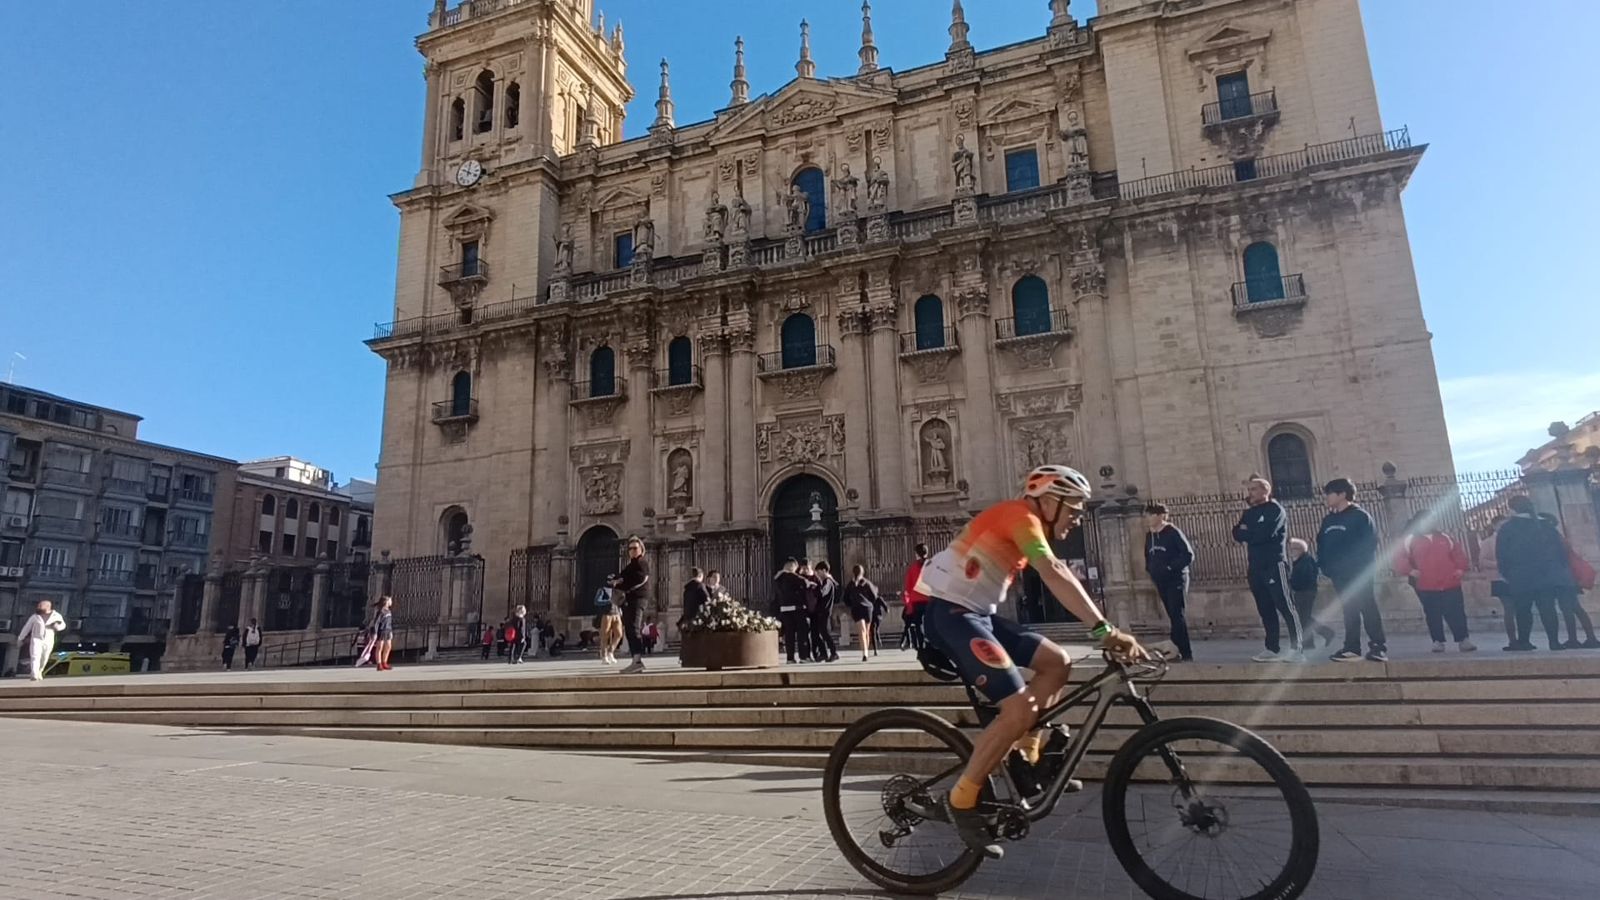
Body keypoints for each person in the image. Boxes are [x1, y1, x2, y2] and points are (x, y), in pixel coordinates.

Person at [916, 465, 1145, 858]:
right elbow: (1053, 570)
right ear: (1050, 501)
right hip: (952, 616)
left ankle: (1026, 758)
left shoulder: (1028, 522)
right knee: (1018, 708)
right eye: (1074, 509)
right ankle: (961, 799)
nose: (1077, 518)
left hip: (979, 615)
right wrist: (1104, 630)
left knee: (1057, 662)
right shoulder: (1019, 516)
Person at [1231, 477, 1302, 662]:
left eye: (1254, 489)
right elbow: (1237, 533)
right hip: (1255, 566)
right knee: (1265, 608)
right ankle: (1272, 648)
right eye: (1249, 490)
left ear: (1265, 491)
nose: (1251, 493)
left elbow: (1265, 534)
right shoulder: (1249, 513)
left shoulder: (1275, 510)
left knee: (1285, 606)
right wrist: (1249, 533)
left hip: (1274, 564)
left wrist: (1248, 533)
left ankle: (1297, 648)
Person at [1317, 478, 1387, 662]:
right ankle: (1352, 648)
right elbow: (1321, 544)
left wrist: (1357, 566)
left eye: (1330, 493)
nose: (1326, 497)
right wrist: (1325, 566)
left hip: (1359, 572)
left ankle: (1378, 647)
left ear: (1342, 494)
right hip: (1338, 574)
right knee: (1349, 609)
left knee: (1367, 606)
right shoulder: (1328, 520)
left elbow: (1369, 544)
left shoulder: (1360, 516)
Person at [1496, 499, 1572, 651]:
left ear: (1513, 509)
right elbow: (1560, 550)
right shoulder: (1545, 525)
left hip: (1520, 575)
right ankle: (1554, 642)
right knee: (1548, 608)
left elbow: (1501, 554)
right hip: (1546, 574)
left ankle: (1524, 641)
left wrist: (1507, 573)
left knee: (1522, 610)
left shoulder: (1508, 528)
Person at [1394, 516, 1475, 653]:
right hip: (1426, 584)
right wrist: (1410, 571)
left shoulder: (1445, 537)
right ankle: (1438, 641)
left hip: (1450, 582)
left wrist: (1460, 569)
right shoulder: (1410, 540)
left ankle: (1463, 639)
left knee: (1456, 612)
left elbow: (1458, 554)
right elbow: (1400, 558)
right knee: (1432, 614)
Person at [1143, 503, 1194, 662]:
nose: (1148, 518)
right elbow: (1147, 555)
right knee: (1172, 615)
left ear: (1160, 516)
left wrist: (1170, 567)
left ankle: (1185, 652)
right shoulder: (1149, 536)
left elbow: (1188, 555)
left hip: (1176, 578)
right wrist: (1151, 570)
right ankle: (1175, 650)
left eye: (1151, 515)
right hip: (1161, 580)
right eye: (1147, 515)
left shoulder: (1173, 532)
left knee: (1177, 614)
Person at [1543, 514, 1600, 649]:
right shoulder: (1559, 537)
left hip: (1562, 579)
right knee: (1576, 608)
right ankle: (1590, 638)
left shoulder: (1551, 538)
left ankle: (1573, 639)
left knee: (1567, 609)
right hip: (1569, 577)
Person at [609, 536, 651, 674]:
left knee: (633, 628)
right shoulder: (631, 564)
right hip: (630, 599)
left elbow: (640, 578)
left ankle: (637, 661)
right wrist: (615, 580)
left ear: (641, 549)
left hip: (637, 598)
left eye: (635, 548)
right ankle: (635, 660)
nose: (632, 550)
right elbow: (623, 576)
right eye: (630, 548)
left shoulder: (641, 562)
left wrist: (622, 584)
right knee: (630, 629)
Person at [1288, 539, 1335, 649]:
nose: (1291, 551)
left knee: (1304, 618)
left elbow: (1305, 577)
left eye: (1294, 549)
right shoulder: (1301, 560)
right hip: (1304, 592)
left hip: (1305, 592)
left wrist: (1293, 583)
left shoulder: (1305, 561)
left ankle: (1324, 634)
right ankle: (1313, 641)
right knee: (1304, 618)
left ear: (1301, 550)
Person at [1478, 517, 1518, 650]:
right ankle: (1512, 640)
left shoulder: (1514, 540)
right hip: (1499, 578)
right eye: (1501, 525)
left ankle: (1522, 638)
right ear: (1495, 526)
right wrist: (1499, 564)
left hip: (1515, 578)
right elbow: (1482, 561)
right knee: (1509, 608)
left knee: (1519, 608)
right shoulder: (1488, 542)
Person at [16, 599, 67, 682]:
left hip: (48, 639)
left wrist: (57, 626)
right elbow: (26, 627)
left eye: (40, 605)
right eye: (38, 605)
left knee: (44, 657)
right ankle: (34, 674)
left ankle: (40, 671)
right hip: (36, 638)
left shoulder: (56, 616)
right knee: (35, 656)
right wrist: (20, 638)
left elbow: (63, 625)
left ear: (48, 606)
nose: (38, 607)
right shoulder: (34, 617)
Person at [772, 559, 812, 663]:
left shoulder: (777, 579)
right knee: (802, 634)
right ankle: (804, 657)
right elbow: (805, 582)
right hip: (797, 608)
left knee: (789, 635)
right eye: (795, 568)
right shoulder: (790, 576)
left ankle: (790, 658)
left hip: (784, 610)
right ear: (791, 566)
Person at [842, 564, 882, 663]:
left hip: (856, 608)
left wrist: (851, 604)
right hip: (867, 608)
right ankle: (865, 652)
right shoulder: (867, 583)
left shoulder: (851, 584)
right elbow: (874, 596)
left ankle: (865, 652)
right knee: (866, 631)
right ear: (862, 572)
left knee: (862, 631)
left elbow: (845, 598)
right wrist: (869, 603)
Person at [901, 544, 930, 651]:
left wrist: (908, 602)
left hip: (917, 601)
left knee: (918, 624)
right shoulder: (932, 566)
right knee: (930, 623)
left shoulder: (913, 568)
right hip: (930, 600)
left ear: (917, 554)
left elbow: (908, 587)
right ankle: (930, 643)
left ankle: (921, 645)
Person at [810, 561, 841, 663]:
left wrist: (814, 587)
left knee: (824, 632)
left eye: (818, 572)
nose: (818, 575)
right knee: (818, 633)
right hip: (821, 610)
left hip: (824, 611)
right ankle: (823, 653)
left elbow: (822, 592)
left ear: (824, 570)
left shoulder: (827, 582)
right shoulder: (826, 581)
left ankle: (833, 652)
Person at [681, 567, 709, 633]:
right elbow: (707, 599)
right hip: (698, 617)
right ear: (700, 575)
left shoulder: (687, 588)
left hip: (688, 618)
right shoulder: (700, 585)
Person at [372, 597, 395, 671]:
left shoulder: (389, 611)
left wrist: (391, 631)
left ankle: (384, 662)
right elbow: (376, 623)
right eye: (390, 600)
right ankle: (379, 664)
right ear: (386, 602)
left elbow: (389, 623)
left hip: (388, 630)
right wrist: (375, 633)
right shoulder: (381, 611)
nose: (391, 602)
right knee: (379, 647)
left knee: (388, 646)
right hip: (381, 630)